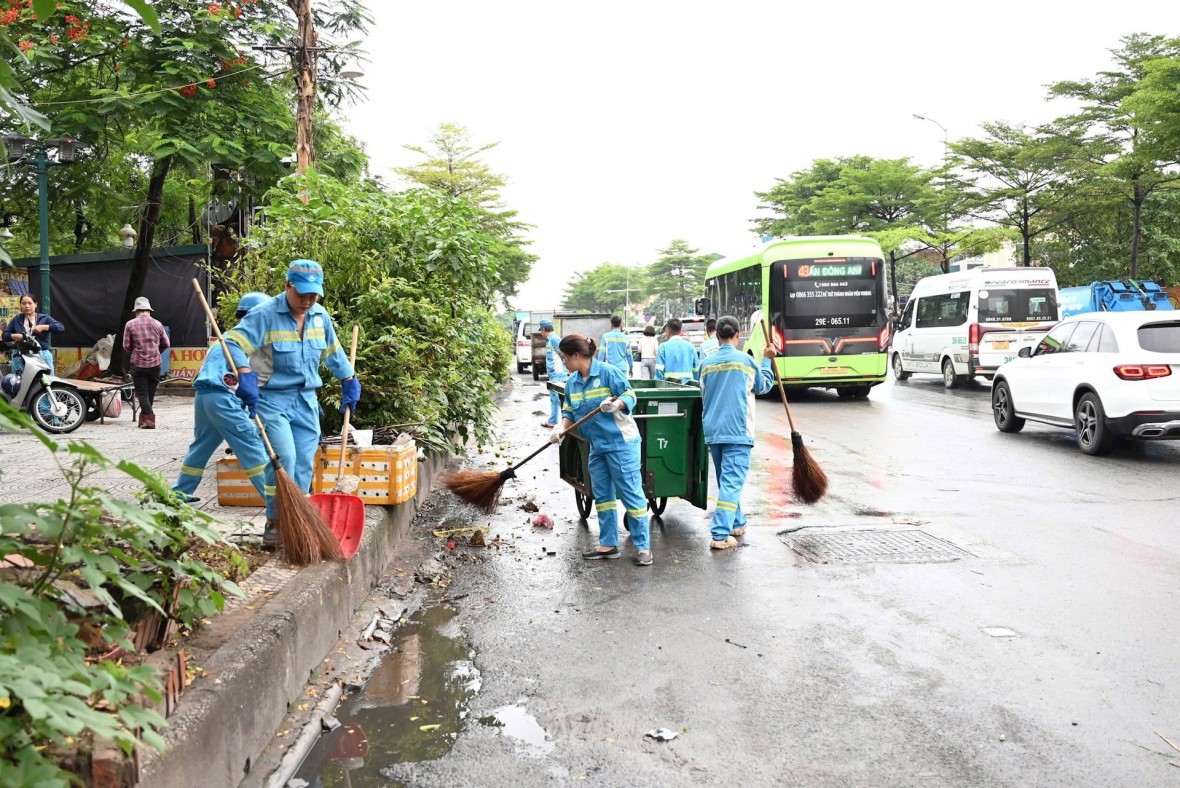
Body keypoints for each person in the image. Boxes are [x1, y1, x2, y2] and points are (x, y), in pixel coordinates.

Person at [223, 260, 360, 547]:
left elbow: (333, 352)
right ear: (288, 286)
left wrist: (348, 378)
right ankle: (275, 520)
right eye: (303, 295)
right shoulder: (264, 314)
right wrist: (244, 372)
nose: (308, 302)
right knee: (282, 459)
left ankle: (297, 522)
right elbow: (233, 342)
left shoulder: (320, 317)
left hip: (306, 400)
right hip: (272, 399)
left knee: (302, 467)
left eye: (314, 296)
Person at [551, 334, 652, 566]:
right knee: (603, 496)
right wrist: (560, 429)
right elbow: (568, 412)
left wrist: (616, 404)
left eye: (564, 357)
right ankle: (608, 544)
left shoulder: (607, 372)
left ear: (576, 356)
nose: (564, 362)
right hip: (596, 446)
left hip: (621, 444)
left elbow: (630, 395)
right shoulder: (572, 383)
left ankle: (643, 546)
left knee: (631, 494)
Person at [171, 292, 271, 506]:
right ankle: (278, 503)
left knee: (201, 447)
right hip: (224, 399)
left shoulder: (226, 337)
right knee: (251, 444)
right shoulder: (245, 341)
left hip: (204, 398)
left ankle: (179, 494)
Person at [698, 316, 776, 549]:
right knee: (732, 482)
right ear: (738, 335)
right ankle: (720, 534)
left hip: (713, 430)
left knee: (727, 480)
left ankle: (737, 522)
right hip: (737, 431)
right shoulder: (746, 361)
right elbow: (763, 386)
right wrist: (766, 361)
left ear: (717, 335)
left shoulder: (706, 364)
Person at [123, 296, 171, 429]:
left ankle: (149, 420)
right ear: (149, 310)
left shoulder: (130, 324)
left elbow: (126, 345)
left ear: (136, 311)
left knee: (142, 393)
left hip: (138, 364)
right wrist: (156, 351)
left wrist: (136, 351)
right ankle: (144, 420)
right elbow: (166, 343)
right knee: (150, 392)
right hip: (155, 364)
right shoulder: (157, 324)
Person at [3, 294, 63, 375]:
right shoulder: (16, 319)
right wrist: (15, 336)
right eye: (23, 303)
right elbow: (5, 335)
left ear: (35, 304)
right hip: (20, 355)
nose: (27, 306)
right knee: (20, 383)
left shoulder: (44, 318)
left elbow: (60, 328)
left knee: (46, 381)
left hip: (42, 354)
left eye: (29, 303)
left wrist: (44, 327)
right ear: (20, 305)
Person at [539, 320, 567, 428]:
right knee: (557, 398)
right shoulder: (549, 340)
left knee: (556, 398)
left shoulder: (554, 339)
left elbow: (562, 355)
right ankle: (557, 420)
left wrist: (566, 368)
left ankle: (554, 421)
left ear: (543, 329)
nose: (541, 333)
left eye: (541, 330)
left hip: (558, 374)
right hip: (555, 374)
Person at [654, 317, 699, 383]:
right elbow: (696, 369)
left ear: (667, 331)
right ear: (680, 331)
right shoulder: (690, 347)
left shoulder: (663, 347)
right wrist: (694, 382)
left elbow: (659, 371)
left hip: (669, 387)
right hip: (688, 386)